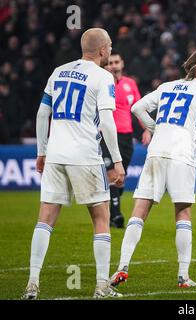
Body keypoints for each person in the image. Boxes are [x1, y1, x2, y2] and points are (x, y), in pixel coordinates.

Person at [109, 50, 196, 288]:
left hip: (156, 151)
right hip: (181, 154)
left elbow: (136, 108)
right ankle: (183, 276)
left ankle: (121, 267)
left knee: (139, 211)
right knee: (183, 213)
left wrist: (155, 128)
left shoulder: (167, 86)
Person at [22, 28, 126, 299]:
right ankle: (102, 286)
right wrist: (117, 160)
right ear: (102, 50)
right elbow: (106, 122)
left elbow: (43, 112)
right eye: (110, 46)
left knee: (45, 218)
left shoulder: (58, 71)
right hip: (85, 155)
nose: (111, 50)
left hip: (56, 153)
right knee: (101, 218)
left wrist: (41, 150)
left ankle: (32, 282)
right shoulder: (103, 77)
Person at [102, 50, 151, 228]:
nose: (113, 65)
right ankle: (116, 216)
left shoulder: (130, 84)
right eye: (110, 62)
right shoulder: (101, 83)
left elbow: (139, 108)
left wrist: (146, 129)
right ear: (105, 66)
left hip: (126, 136)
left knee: (120, 177)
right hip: (106, 135)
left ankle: (111, 207)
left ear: (122, 64)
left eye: (116, 62)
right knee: (112, 173)